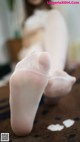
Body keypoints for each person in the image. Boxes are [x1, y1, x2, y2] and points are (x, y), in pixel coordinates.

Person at [9, 0, 76, 136]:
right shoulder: (27, 19)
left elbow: (62, 40)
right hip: (34, 51)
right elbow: (25, 43)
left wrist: (70, 61)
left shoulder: (53, 11)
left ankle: (52, 77)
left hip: (53, 54)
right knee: (36, 51)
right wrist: (38, 34)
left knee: (55, 16)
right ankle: (51, 81)